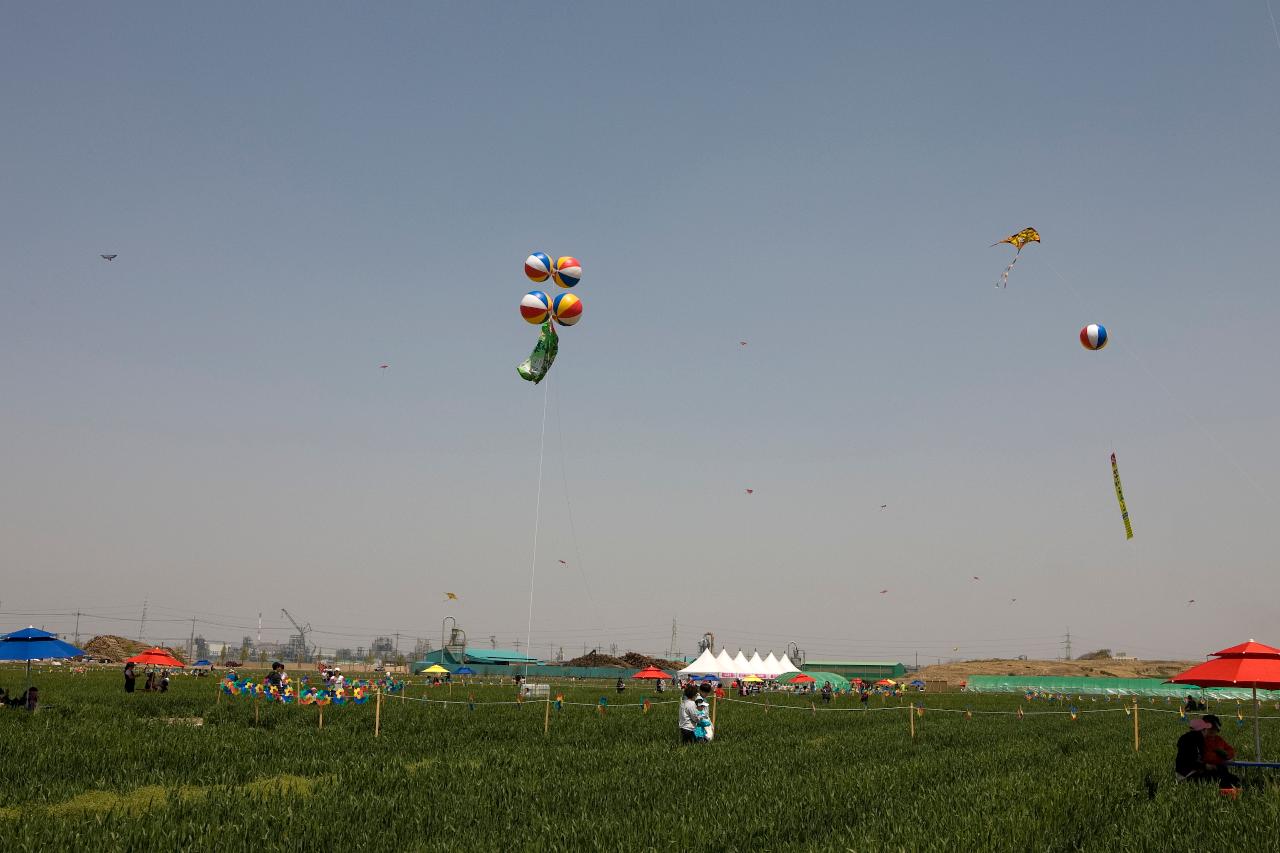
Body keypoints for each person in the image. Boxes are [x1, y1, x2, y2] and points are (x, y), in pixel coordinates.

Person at [1176, 718, 1239, 789]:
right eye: (1208, 729)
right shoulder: (1191, 740)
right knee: (1222, 779)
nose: (1210, 732)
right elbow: (1189, 761)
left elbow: (1230, 751)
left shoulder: (1197, 739)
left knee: (1227, 776)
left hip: (1195, 772)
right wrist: (1206, 766)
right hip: (1187, 775)